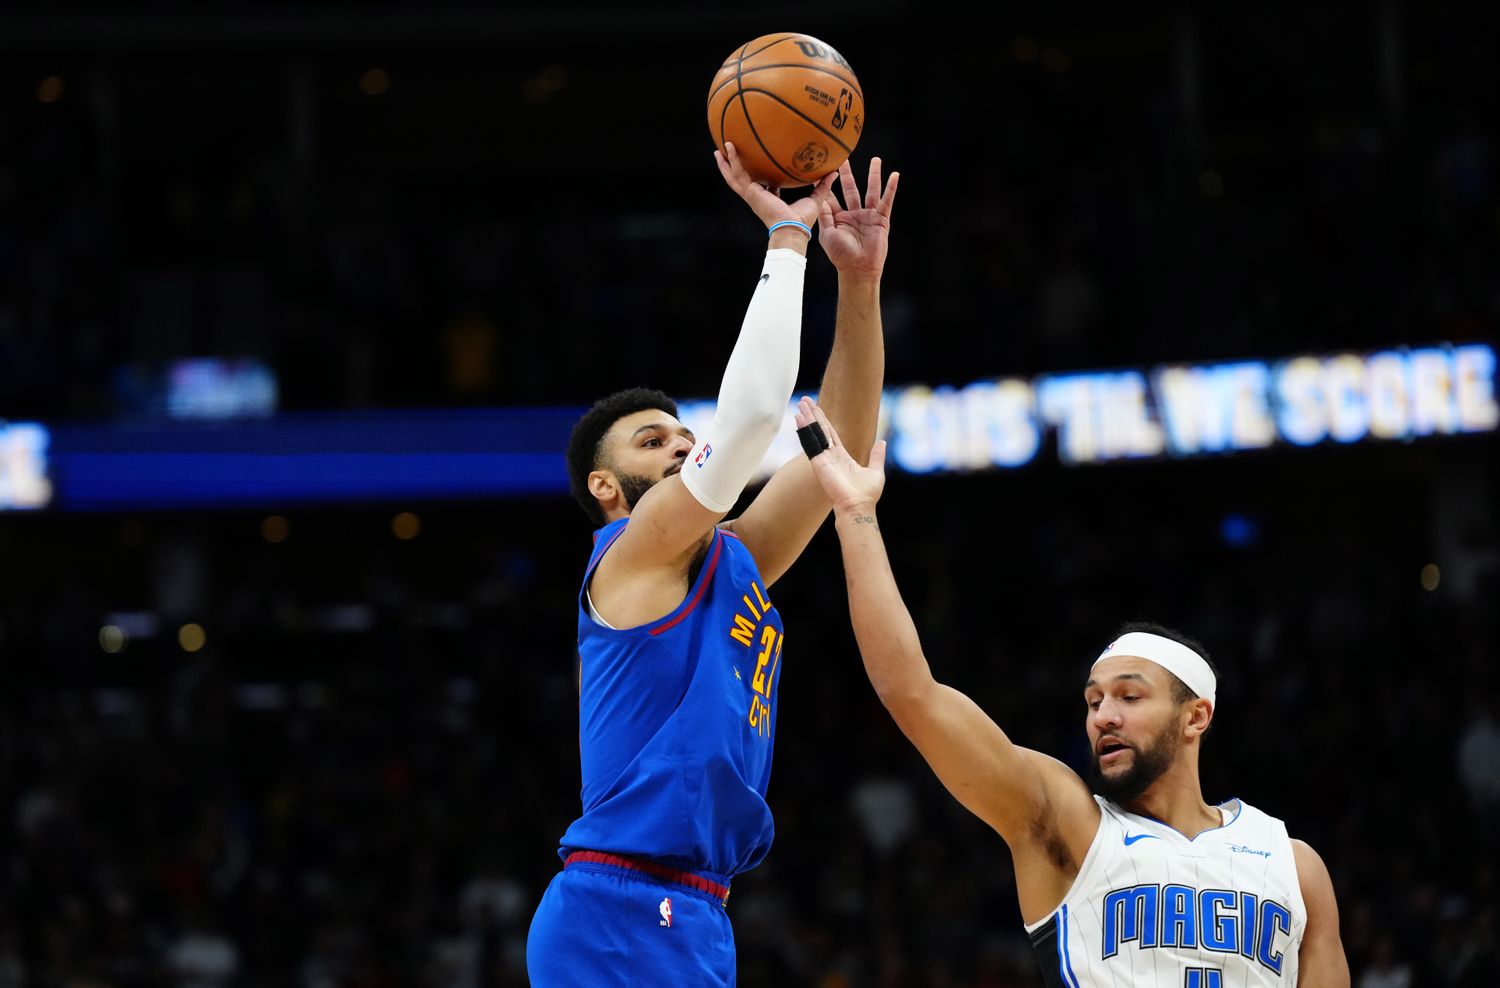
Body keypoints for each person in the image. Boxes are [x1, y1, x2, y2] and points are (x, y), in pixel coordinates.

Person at [792, 396, 1351, 987]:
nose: (1103, 715)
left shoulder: (1294, 866)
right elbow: (911, 692)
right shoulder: (1066, 822)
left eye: (1129, 697)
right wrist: (855, 514)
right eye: (1093, 701)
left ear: (1196, 717)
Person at [525, 144, 899, 986]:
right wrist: (786, 241)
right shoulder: (630, 555)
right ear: (605, 485)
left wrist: (860, 284)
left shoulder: (733, 559)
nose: (681, 446)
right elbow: (751, 419)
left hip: (696, 906)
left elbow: (830, 438)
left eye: (682, 436)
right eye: (652, 443)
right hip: (617, 910)